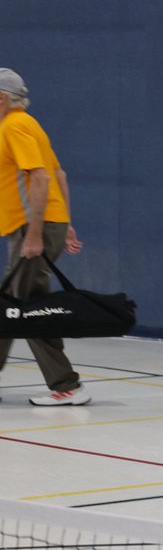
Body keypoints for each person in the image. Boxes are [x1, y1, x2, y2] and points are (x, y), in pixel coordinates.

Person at [0, 68, 90, 406]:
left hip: (31, 228)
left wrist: (36, 233)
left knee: (22, 308)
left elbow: (40, 177)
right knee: (16, 305)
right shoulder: (28, 124)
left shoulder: (16, 126)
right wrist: (63, 222)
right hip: (39, 225)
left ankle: (67, 385)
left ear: (1, 98)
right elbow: (58, 173)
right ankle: (66, 383)